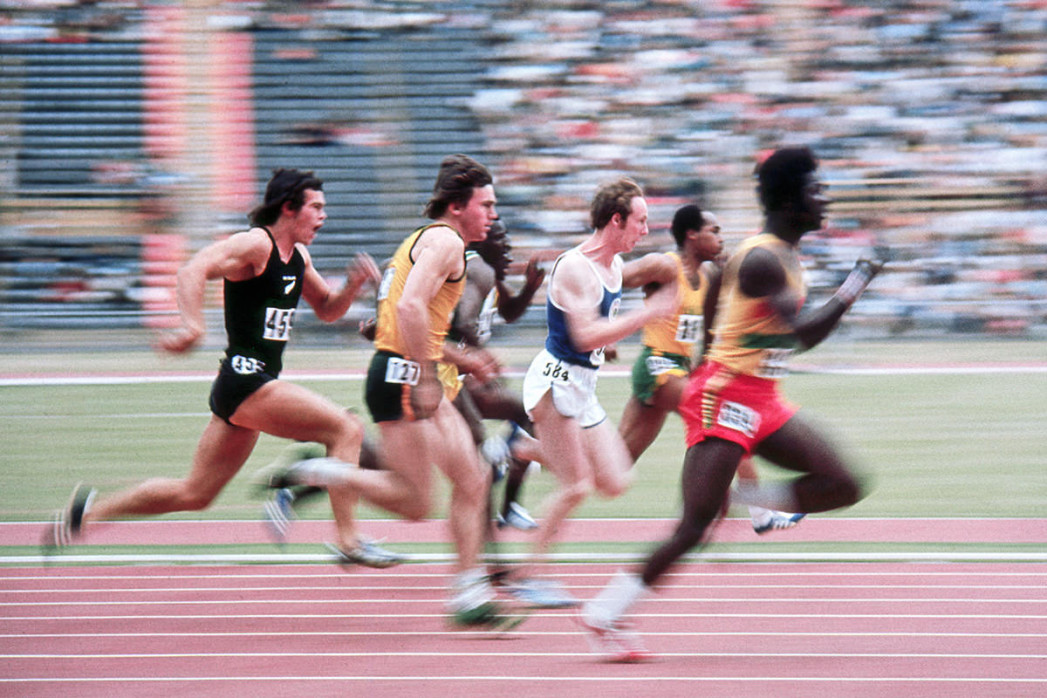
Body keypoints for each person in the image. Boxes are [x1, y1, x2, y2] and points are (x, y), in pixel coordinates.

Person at [580, 146, 883, 661]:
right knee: (694, 526)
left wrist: (707, 360)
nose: (824, 197)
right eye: (816, 189)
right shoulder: (763, 259)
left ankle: (753, 500)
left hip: (761, 396)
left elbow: (720, 310)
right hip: (727, 397)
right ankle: (606, 614)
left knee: (845, 483)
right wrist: (856, 282)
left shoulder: (777, 256)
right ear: (790, 201)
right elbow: (803, 336)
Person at [43, 168, 396, 566]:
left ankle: (87, 512)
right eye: (316, 207)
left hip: (248, 387)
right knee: (346, 428)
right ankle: (349, 541)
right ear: (288, 208)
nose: (323, 216)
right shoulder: (255, 245)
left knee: (195, 494)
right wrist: (192, 325)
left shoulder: (298, 258)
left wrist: (351, 288)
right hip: (247, 379)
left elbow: (328, 310)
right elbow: (193, 269)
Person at [271, 154, 512, 627]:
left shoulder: (430, 242)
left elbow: (406, 320)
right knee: (416, 502)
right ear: (458, 206)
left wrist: (459, 360)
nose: (494, 214)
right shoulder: (444, 242)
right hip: (405, 377)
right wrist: (424, 375)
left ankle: (468, 593)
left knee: (473, 479)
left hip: (405, 371)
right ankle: (321, 470)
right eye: (487, 204)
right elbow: (408, 309)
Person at [510, 176, 679, 608]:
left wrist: (613, 341)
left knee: (617, 479)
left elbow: (599, 330)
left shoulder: (615, 267)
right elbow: (583, 336)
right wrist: (646, 314)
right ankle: (530, 576)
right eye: (640, 221)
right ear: (616, 220)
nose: (646, 229)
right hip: (554, 382)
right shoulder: (573, 267)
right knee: (576, 486)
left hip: (582, 387)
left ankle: (522, 449)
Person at [618, 203, 804, 534]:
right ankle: (755, 514)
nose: (721, 238)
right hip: (656, 366)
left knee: (615, 464)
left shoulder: (706, 276)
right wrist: (607, 332)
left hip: (679, 368)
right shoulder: (663, 265)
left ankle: (524, 456)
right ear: (692, 235)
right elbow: (610, 279)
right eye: (714, 232)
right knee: (728, 419)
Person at [448, 218, 546, 531]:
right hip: (449, 373)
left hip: (463, 371)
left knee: (528, 416)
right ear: (481, 241)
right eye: (501, 241)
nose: (507, 248)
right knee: (521, 418)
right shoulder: (473, 270)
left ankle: (508, 502)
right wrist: (479, 358)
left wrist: (529, 289)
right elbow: (463, 323)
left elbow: (509, 311)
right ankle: (499, 470)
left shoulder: (489, 276)